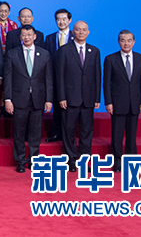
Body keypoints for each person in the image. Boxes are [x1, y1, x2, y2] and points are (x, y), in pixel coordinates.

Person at [3, 25, 53, 173]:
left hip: (38, 98)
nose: (27, 37)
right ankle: (20, 160)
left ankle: (33, 160)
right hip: (19, 99)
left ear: (35, 36)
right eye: (24, 35)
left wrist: (49, 99)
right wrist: (8, 99)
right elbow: (8, 78)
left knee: (35, 132)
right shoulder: (12, 54)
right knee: (19, 132)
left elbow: (48, 78)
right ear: (20, 37)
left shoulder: (44, 54)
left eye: (29, 35)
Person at [56, 21, 101, 172]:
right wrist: (61, 97)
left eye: (84, 30)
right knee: (68, 130)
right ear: (73, 32)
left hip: (88, 98)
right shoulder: (64, 50)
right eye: (78, 30)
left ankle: (84, 160)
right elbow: (60, 76)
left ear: (88, 32)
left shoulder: (94, 51)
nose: (81, 32)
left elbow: (97, 76)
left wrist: (97, 98)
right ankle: (70, 159)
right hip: (69, 98)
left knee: (86, 131)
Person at [103, 30, 141, 172]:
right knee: (117, 136)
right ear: (119, 42)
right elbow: (106, 83)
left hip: (134, 103)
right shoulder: (111, 59)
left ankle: (131, 163)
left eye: (129, 40)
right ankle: (117, 163)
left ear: (133, 42)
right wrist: (108, 102)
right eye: (123, 40)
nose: (126, 43)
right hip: (117, 104)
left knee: (131, 136)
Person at [44, 8, 73, 142]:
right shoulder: (50, 38)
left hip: (71, 79)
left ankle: (68, 135)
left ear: (69, 20)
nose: (61, 22)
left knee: (70, 109)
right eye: (58, 19)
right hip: (54, 77)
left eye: (64, 19)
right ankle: (56, 133)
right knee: (57, 106)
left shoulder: (75, 36)